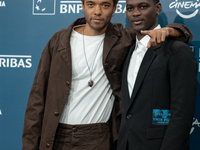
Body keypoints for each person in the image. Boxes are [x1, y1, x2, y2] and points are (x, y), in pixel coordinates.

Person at [21, 0, 192, 149]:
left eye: (105, 5)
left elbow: (153, 28)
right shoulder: (59, 41)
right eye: (91, 4)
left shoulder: (121, 37)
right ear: (82, 6)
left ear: (114, 8)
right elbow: (37, 98)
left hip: (99, 137)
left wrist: (172, 30)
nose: (97, 11)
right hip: (57, 134)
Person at [117, 0, 197, 149]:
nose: (135, 13)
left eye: (143, 6)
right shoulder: (127, 50)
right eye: (130, 8)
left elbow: (181, 115)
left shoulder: (177, 50)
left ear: (158, 8)